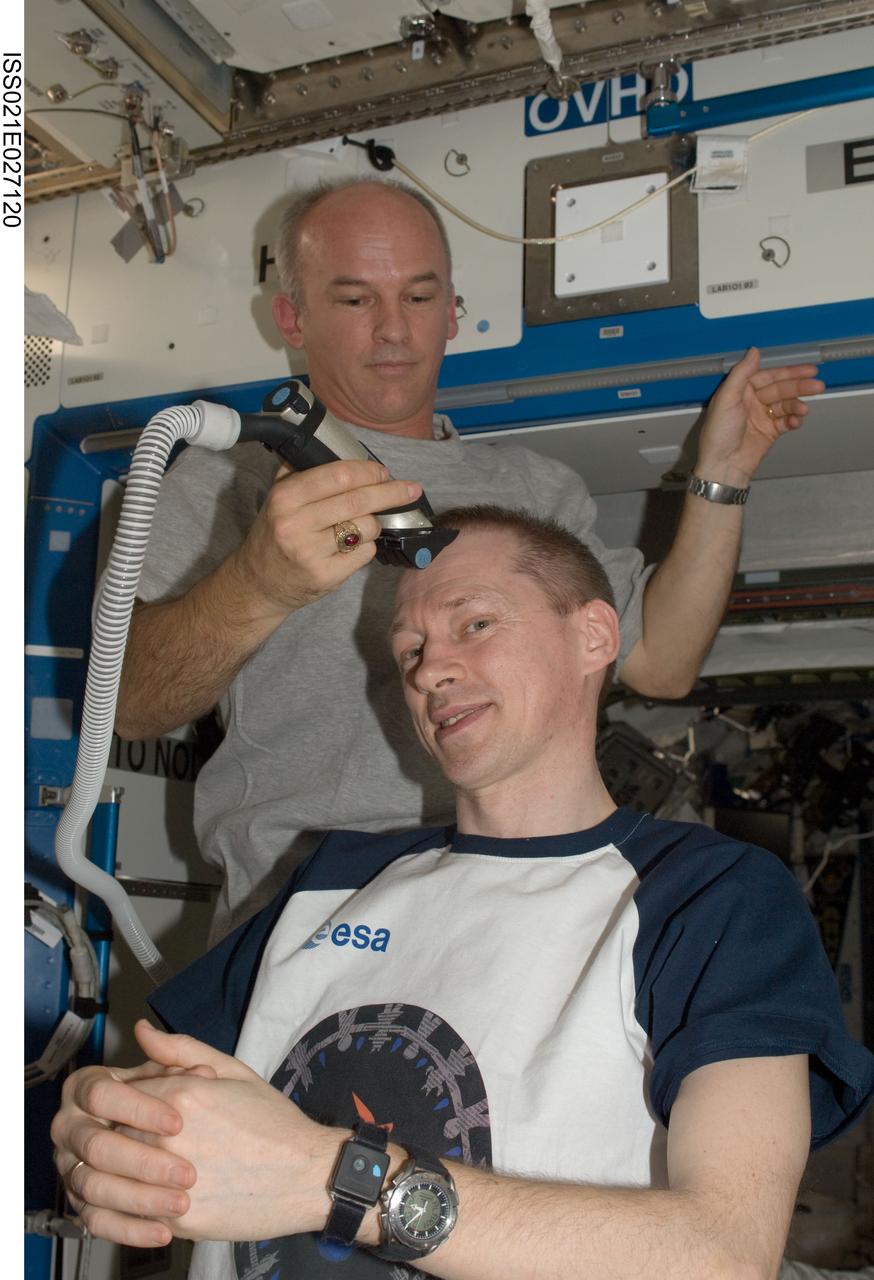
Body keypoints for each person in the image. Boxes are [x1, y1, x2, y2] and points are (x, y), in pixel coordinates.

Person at [54, 508, 873, 1280]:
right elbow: (157, 1115)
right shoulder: (334, 875)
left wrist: (336, 1181)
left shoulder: (707, 895)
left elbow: (724, 1253)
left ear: (594, 635)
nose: (430, 670)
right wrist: (103, 1138)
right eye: (408, 650)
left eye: (475, 624)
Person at [117, 177, 825, 938]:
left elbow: (662, 662)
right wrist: (259, 585)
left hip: (515, 903)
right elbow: (128, 703)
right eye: (355, 300)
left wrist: (724, 474)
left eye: (419, 297)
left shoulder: (535, 490)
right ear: (293, 317)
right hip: (304, 917)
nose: (394, 330)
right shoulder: (228, 479)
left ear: (453, 312)